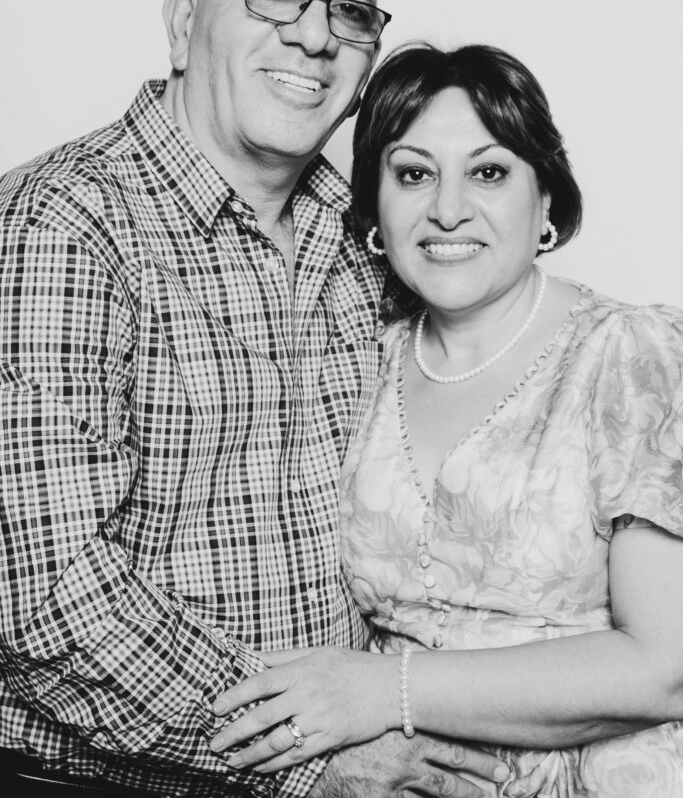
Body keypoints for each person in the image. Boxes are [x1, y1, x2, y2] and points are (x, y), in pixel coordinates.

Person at [0, 0, 509, 798]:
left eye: (349, 11)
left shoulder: (363, 236)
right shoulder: (65, 224)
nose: (315, 36)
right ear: (182, 21)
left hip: (361, 756)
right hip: (112, 780)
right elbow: (45, 596)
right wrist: (310, 755)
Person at [208, 43, 683, 797]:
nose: (448, 208)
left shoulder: (629, 354)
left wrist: (382, 689)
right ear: (373, 211)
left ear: (547, 201)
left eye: (488, 172)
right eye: (413, 173)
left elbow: (666, 669)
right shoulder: (360, 362)